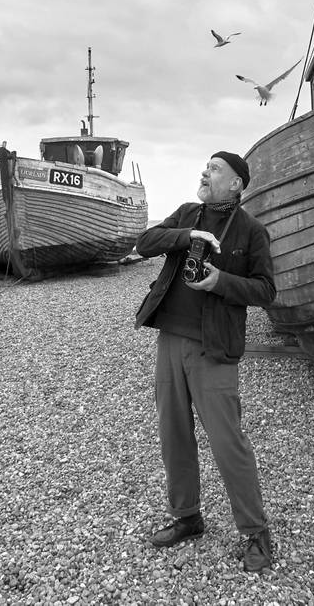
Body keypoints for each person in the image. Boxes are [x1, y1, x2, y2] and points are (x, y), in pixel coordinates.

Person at [132, 150, 277, 573]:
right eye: (206, 167)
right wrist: (187, 237)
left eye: (215, 169)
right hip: (170, 341)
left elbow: (266, 290)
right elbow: (144, 243)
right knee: (173, 433)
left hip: (214, 348)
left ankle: (254, 532)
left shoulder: (252, 232)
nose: (205, 173)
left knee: (228, 442)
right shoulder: (187, 213)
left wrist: (220, 282)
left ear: (236, 183)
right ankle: (188, 517)